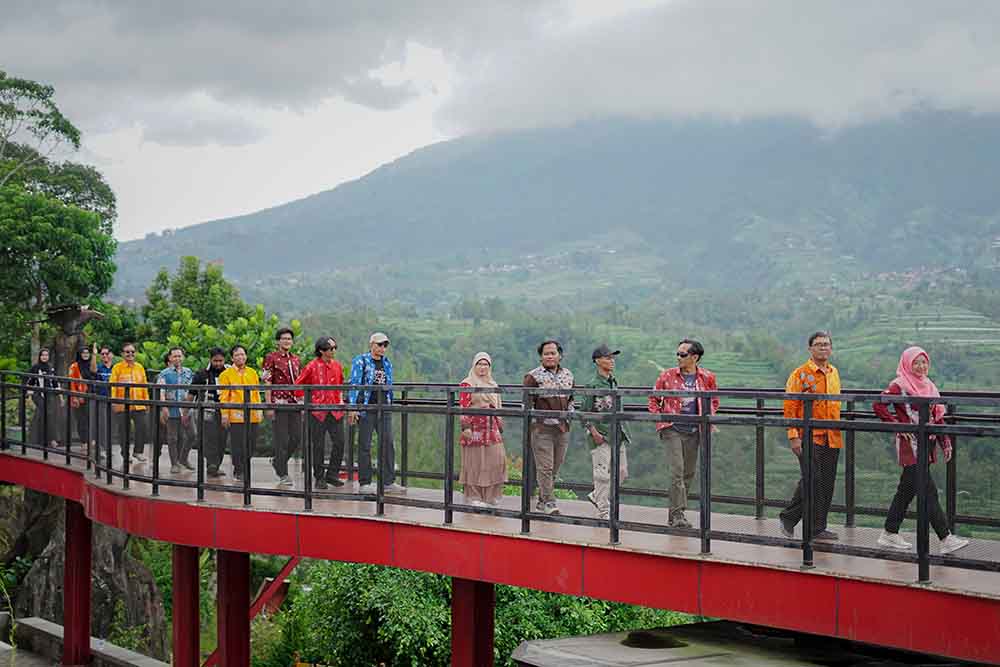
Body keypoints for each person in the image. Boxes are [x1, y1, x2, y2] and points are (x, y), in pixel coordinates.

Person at [872, 347, 969, 555]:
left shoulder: (929, 386)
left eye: (924, 362)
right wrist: (898, 425)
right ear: (907, 363)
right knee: (929, 491)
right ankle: (945, 538)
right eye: (916, 362)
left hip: (928, 444)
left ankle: (889, 532)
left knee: (906, 490)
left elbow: (938, 417)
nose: (920, 366)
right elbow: (878, 405)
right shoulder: (899, 385)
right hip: (911, 446)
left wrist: (946, 443)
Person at [648, 339, 719, 528]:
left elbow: (713, 400)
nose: (678, 357)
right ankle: (678, 514)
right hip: (673, 428)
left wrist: (708, 417)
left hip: (695, 430)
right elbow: (653, 399)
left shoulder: (707, 377)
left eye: (683, 354)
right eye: (678, 354)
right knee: (677, 471)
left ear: (695, 357)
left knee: (688, 472)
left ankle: (675, 514)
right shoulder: (667, 376)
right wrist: (661, 420)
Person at [779, 331, 842, 541]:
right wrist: (793, 436)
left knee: (826, 482)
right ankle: (789, 517)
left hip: (831, 435)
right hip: (809, 435)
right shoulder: (800, 374)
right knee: (812, 479)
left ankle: (818, 527)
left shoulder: (834, 372)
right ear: (810, 348)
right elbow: (790, 406)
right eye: (818, 344)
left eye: (826, 344)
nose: (823, 348)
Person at [348, 333, 407, 495]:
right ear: (372, 344)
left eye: (385, 345)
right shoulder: (361, 361)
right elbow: (354, 383)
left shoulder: (387, 363)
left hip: (383, 408)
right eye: (380, 345)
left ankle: (388, 481)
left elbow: (389, 385)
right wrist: (353, 407)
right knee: (365, 445)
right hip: (366, 408)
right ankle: (364, 482)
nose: (382, 348)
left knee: (388, 443)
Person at [523, 339, 574, 515]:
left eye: (553, 353)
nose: (550, 356)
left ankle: (541, 500)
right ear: (541, 357)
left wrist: (570, 417)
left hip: (563, 428)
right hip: (542, 428)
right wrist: (535, 423)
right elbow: (526, 405)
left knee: (556, 466)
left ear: (560, 356)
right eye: (546, 353)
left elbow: (571, 400)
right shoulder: (533, 377)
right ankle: (550, 503)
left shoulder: (568, 375)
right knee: (545, 467)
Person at [580, 344, 629, 521]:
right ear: (597, 361)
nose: (611, 361)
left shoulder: (613, 382)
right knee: (602, 475)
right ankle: (603, 512)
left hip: (617, 433)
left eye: (612, 358)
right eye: (607, 357)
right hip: (600, 434)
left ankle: (597, 496)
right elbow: (584, 412)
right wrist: (593, 432)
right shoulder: (592, 385)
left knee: (622, 472)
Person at [295, 336, 346, 489]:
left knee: (340, 442)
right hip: (317, 412)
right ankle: (319, 477)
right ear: (321, 350)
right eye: (331, 348)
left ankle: (332, 474)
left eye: (335, 347)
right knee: (318, 445)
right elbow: (298, 386)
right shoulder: (311, 366)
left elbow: (340, 384)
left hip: (335, 411)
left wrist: (341, 400)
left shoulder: (337, 366)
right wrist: (307, 402)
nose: (334, 351)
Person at [458, 352, 508, 507]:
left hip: (492, 428)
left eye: (486, 364)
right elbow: (463, 406)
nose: (482, 367)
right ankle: (474, 497)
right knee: (475, 462)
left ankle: (491, 496)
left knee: (496, 460)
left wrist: (500, 424)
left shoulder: (493, 385)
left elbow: (499, 406)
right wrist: (465, 427)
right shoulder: (467, 383)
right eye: (479, 364)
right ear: (474, 366)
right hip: (475, 428)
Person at [263, 327, 302, 486]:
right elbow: (267, 382)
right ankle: (283, 473)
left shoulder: (296, 359)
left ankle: (278, 462)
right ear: (278, 341)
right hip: (278, 403)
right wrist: (269, 405)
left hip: (294, 403)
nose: (287, 341)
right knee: (281, 439)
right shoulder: (270, 358)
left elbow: (299, 381)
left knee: (297, 437)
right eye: (284, 338)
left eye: (289, 339)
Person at [219, 345, 263, 481]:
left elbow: (256, 393)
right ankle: (239, 470)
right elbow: (224, 396)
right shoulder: (225, 375)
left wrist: (260, 409)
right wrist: (225, 414)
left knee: (251, 443)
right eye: (237, 355)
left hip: (252, 414)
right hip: (236, 415)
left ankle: (244, 467)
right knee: (238, 444)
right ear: (232, 358)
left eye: (243, 354)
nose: (240, 357)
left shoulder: (252, 372)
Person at [188, 348, 228, 477]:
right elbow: (191, 394)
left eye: (220, 361)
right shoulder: (202, 374)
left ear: (224, 360)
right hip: (207, 410)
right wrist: (185, 412)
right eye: (215, 361)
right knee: (209, 438)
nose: (218, 363)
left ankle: (216, 465)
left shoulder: (228, 373)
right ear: (210, 360)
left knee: (222, 438)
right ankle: (211, 464)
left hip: (224, 410)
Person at [156, 347, 195, 473]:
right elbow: (161, 391)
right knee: (173, 438)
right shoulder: (165, 373)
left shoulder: (188, 372)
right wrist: (164, 407)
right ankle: (174, 463)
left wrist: (190, 406)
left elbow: (192, 391)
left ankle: (183, 458)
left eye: (179, 356)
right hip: (172, 408)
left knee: (191, 435)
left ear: (183, 357)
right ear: (170, 358)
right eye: (174, 356)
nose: (177, 358)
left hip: (186, 408)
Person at [110, 342, 150, 463]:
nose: (130, 354)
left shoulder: (140, 367)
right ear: (122, 354)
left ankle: (138, 451)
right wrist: (114, 401)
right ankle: (125, 454)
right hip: (123, 405)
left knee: (142, 428)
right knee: (124, 431)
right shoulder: (117, 367)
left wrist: (146, 402)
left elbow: (144, 385)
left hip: (139, 404)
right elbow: (113, 386)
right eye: (127, 352)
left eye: (132, 352)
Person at [25, 347, 60, 449]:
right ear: (39, 356)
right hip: (38, 394)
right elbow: (29, 381)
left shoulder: (50, 367)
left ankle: (47, 439)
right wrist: (29, 395)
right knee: (45, 413)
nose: (45, 357)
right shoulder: (35, 367)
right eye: (43, 355)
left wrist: (60, 396)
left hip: (49, 394)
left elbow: (55, 382)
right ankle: (47, 440)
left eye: (46, 355)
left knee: (49, 415)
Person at [67, 345, 97, 448]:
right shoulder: (74, 366)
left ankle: (91, 439)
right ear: (80, 354)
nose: (85, 355)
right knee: (81, 419)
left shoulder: (91, 365)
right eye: (83, 353)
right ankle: (84, 441)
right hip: (79, 396)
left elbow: (95, 373)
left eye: (87, 353)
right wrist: (75, 396)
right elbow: (71, 383)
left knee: (91, 418)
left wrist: (94, 354)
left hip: (90, 395)